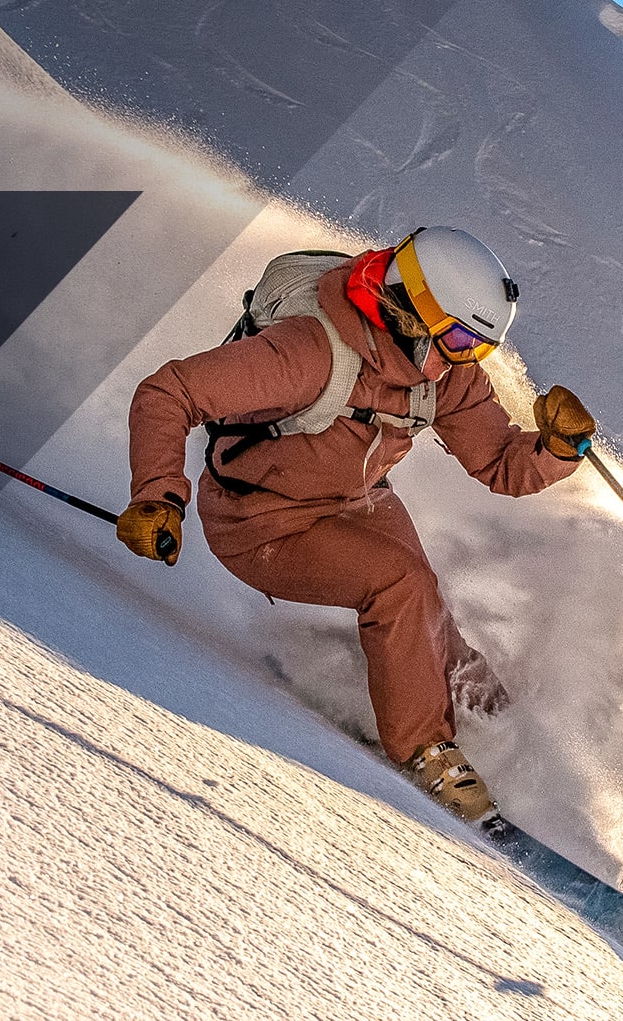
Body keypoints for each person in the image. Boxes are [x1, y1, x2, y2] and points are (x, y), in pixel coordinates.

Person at [117, 227, 595, 822]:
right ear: (414, 307)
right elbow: (169, 393)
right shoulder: (310, 351)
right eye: (458, 336)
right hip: (261, 520)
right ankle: (427, 751)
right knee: (400, 584)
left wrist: (560, 446)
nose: (464, 356)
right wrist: (158, 494)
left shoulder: (445, 368)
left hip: (358, 498)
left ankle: (491, 715)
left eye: (479, 347)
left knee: (426, 601)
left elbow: (499, 463)